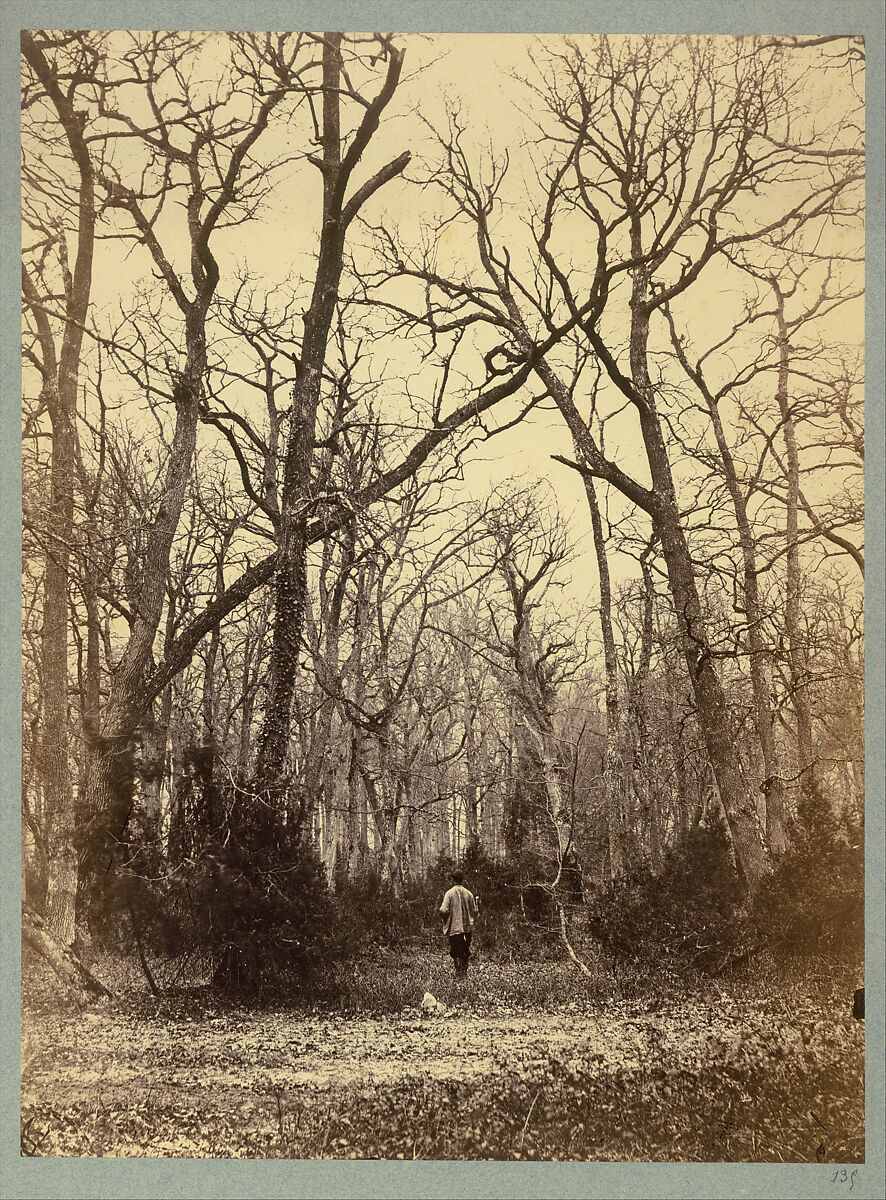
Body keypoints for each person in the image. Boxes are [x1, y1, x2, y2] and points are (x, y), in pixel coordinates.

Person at [439, 870, 478, 976]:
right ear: (462, 880)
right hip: (467, 929)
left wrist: (446, 919)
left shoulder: (449, 893)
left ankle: (459, 973)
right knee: (465, 951)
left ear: (453, 880)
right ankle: (464, 974)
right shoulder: (469, 893)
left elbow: (443, 910)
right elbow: (475, 912)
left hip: (455, 929)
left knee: (456, 952)